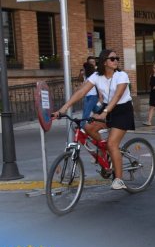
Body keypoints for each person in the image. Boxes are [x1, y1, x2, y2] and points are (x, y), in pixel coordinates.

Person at [53, 49, 134, 190]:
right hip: (107, 109)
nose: (116, 61)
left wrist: (104, 113)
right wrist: (63, 109)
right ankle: (105, 152)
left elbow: (117, 96)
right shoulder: (97, 76)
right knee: (87, 128)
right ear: (104, 62)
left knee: (112, 144)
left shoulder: (122, 75)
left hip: (122, 110)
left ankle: (119, 179)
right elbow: (81, 91)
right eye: (112, 58)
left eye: (117, 58)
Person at [80, 58, 99, 126]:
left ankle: (81, 127)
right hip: (87, 96)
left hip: (93, 96)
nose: (83, 69)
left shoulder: (95, 74)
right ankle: (106, 119)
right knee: (97, 111)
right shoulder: (85, 75)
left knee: (86, 112)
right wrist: (81, 74)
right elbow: (80, 81)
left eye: (84, 68)